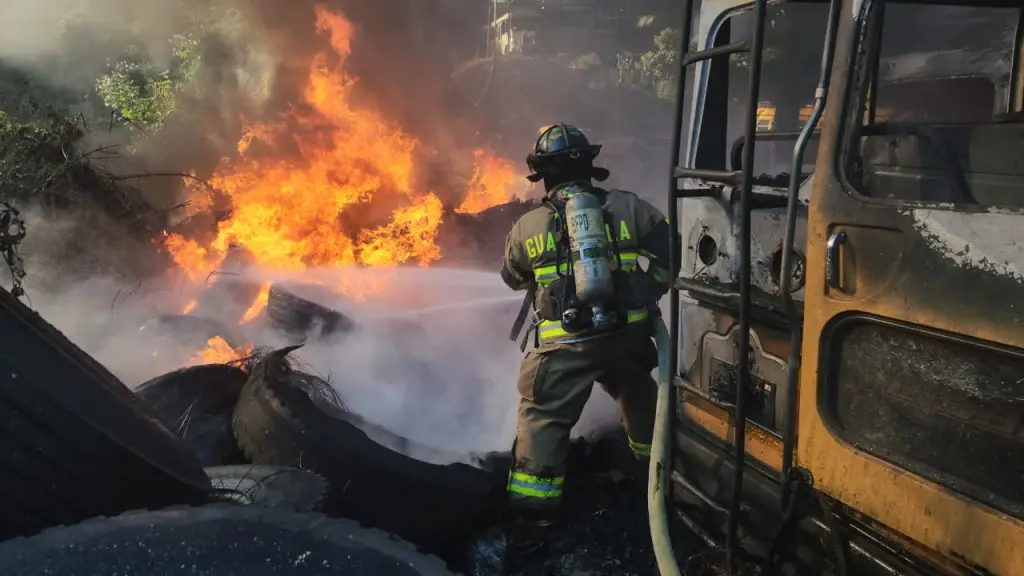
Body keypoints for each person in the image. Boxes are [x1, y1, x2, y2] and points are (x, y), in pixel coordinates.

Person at [499, 123, 673, 564]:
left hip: (566, 346)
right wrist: (642, 290)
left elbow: (512, 275)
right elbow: (672, 255)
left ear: (542, 175)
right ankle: (655, 483)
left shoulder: (528, 225)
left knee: (543, 416)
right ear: (590, 166)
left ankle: (532, 524)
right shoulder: (632, 208)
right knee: (639, 398)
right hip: (629, 336)